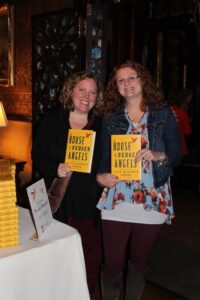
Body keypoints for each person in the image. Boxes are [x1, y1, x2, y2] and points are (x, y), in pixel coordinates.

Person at [96, 61, 181, 300]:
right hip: (118, 197)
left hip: (152, 198)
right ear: (116, 87)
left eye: (132, 78)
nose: (127, 84)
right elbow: (103, 159)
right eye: (121, 80)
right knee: (112, 263)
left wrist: (158, 155)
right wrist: (101, 176)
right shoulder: (110, 116)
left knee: (140, 261)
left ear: (143, 80)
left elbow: (175, 156)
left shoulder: (163, 113)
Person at [32, 71, 103, 296]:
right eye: (82, 89)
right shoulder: (53, 119)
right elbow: (38, 155)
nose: (86, 96)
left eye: (92, 92)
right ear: (70, 91)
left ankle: (85, 293)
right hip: (57, 202)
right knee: (57, 252)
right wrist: (56, 168)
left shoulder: (102, 124)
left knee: (90, 255)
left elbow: (108, 159)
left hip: (89, 201)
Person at [168, 89, 192, 157]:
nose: (190, 99)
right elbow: (188, 132)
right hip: (179, 148)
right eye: (190, 97)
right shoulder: (182, 112)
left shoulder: (163, 110)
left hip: (165, 148)